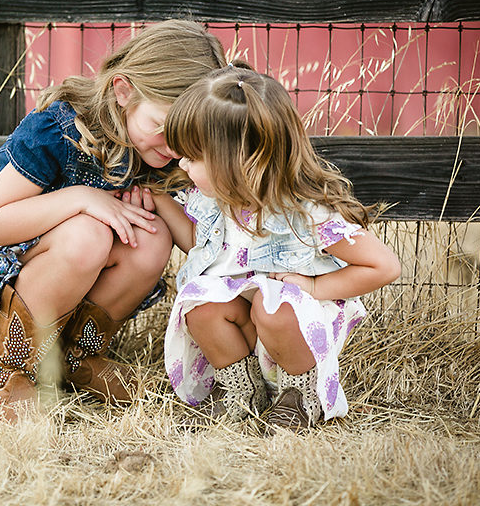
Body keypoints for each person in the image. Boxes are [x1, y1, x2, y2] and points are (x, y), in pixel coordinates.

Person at [0, 20, 228, 413]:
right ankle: (8, 371)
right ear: (123, 91)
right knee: (87, 235)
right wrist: (81, 197)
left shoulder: (161, 151)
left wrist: (158, 197)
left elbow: (199, 245)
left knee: (151, 235)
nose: (175, 148)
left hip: (66, 261)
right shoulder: (59, 128)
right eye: (161, 127)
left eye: (186, 135)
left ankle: (75, 358)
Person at [148, 64, 401, 430]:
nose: (182, 164)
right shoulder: (216, 199)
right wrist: (157, 199)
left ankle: (300, 394)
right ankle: (242, 390)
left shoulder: (306, 212)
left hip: (296, 326)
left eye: (194, 156)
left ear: (241, 159)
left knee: (273, 306)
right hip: (249, 326)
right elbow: (201, 247)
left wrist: (315, 286)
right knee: (200, 305)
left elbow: (384, 267)